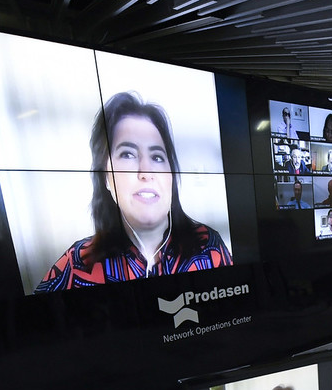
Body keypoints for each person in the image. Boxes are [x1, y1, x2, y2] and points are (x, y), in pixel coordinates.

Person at [37, 93, 232, 291]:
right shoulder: (76, 263)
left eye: (157, 157)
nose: (146, 172)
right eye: (128, 154)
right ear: (105, 176)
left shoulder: (210, 247)